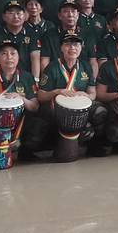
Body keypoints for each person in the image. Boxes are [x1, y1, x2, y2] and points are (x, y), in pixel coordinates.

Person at [37, 31, 105, 160]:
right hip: (58, 110)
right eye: (68, 44)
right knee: (45, 115)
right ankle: (56, 142)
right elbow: (40, 96)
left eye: (76, 44)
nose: (72, 48)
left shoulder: (86, 66)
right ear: (61, 48)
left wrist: (86, 95)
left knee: (100, 111)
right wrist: (56, 92)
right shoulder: (52, 67)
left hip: (81, 109)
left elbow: (93, 93)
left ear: (81, 47)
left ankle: (96, 145)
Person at [0, 41, 45, 164]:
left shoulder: (27, 77)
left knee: (39, 122)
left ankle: (25, 151)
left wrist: (22, 99)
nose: (9, 57)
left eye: (13, 53)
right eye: (4, 54)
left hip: (20, 122)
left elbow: (35, 107)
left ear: (18, 57)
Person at [0, 0, 43, 80]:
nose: (16, 16)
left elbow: (35, 59)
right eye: (11, 13)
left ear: (25, 16)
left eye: (19, 13)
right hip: (3, 78)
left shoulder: (32, 34)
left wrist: (35, 80)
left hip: (26, 79)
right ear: (4, 17)